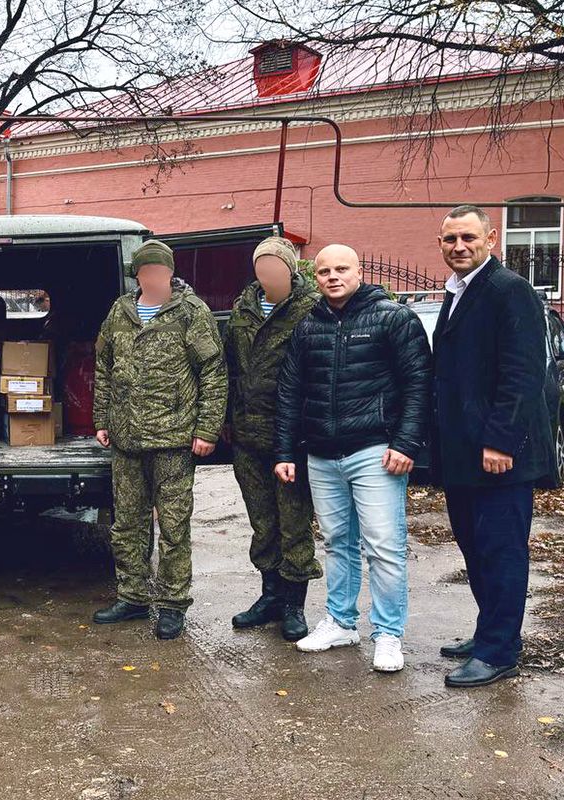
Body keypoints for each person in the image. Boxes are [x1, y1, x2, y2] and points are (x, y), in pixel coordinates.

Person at [275, 244, 431, 672]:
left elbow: (419, 384)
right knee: (337, 544)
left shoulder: (393, 318)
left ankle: (388, 635)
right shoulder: (308, 326)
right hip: (322, 455)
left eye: (341, 268)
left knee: (384, 547)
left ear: (359, 271)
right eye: (323, 270)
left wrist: (406, 444)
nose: (332, 277)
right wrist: (286, 451)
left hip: (374, 452)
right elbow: (290, 393)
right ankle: (341, 622)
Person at [432, 205, 554, 688]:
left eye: (468, 237)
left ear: (491, 238)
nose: (459, 246)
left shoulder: (510, 291)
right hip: (464, 453)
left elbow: (523, 374)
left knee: (501, 551)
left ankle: (499, 650)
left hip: (501, 455)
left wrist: (501, 440)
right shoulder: (458, 291)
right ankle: (492, 632)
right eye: (450, 240)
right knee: (475, 547)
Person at [91, 239, 228, 640]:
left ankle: (171, 604)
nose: (151, 277)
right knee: (126, 524)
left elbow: (214, 374)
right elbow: (104, 365)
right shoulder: (120, 310)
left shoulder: (191, 312)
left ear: (169, 273)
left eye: (158, 271)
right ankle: (133, 597)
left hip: (173, 440)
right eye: (144, 271)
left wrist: (206, 430)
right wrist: (103, 419)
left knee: (172, 527)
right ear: (137, 275)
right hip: (127, 439)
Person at [224, 237, 322, 642]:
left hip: (291, 438)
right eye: (261, 268)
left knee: (293, 523)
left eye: (275, 268)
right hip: (247, 435)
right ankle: (270, 596)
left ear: (291, 270)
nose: (268, 275)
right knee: (262, 522)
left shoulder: (311, 309)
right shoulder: (243, 309)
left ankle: (294, 606)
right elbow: (228, 368)